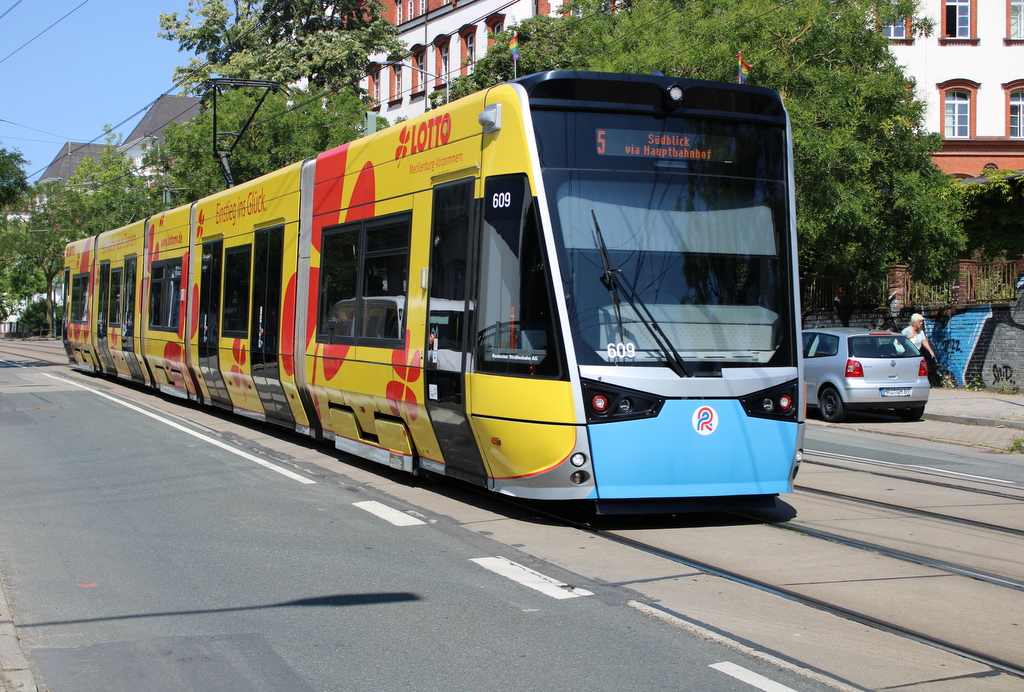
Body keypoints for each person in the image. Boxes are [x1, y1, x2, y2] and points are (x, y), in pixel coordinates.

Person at [903, 313, 940, 385]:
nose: (921, 323)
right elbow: (898, 342)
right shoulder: (906, 331)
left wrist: (930, 350)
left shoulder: (920, 332)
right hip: (906, 355)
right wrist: (907, 338)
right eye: (919, 321)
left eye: (922, 321)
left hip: (916, 354)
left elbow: (924, 341)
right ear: (914, 322)